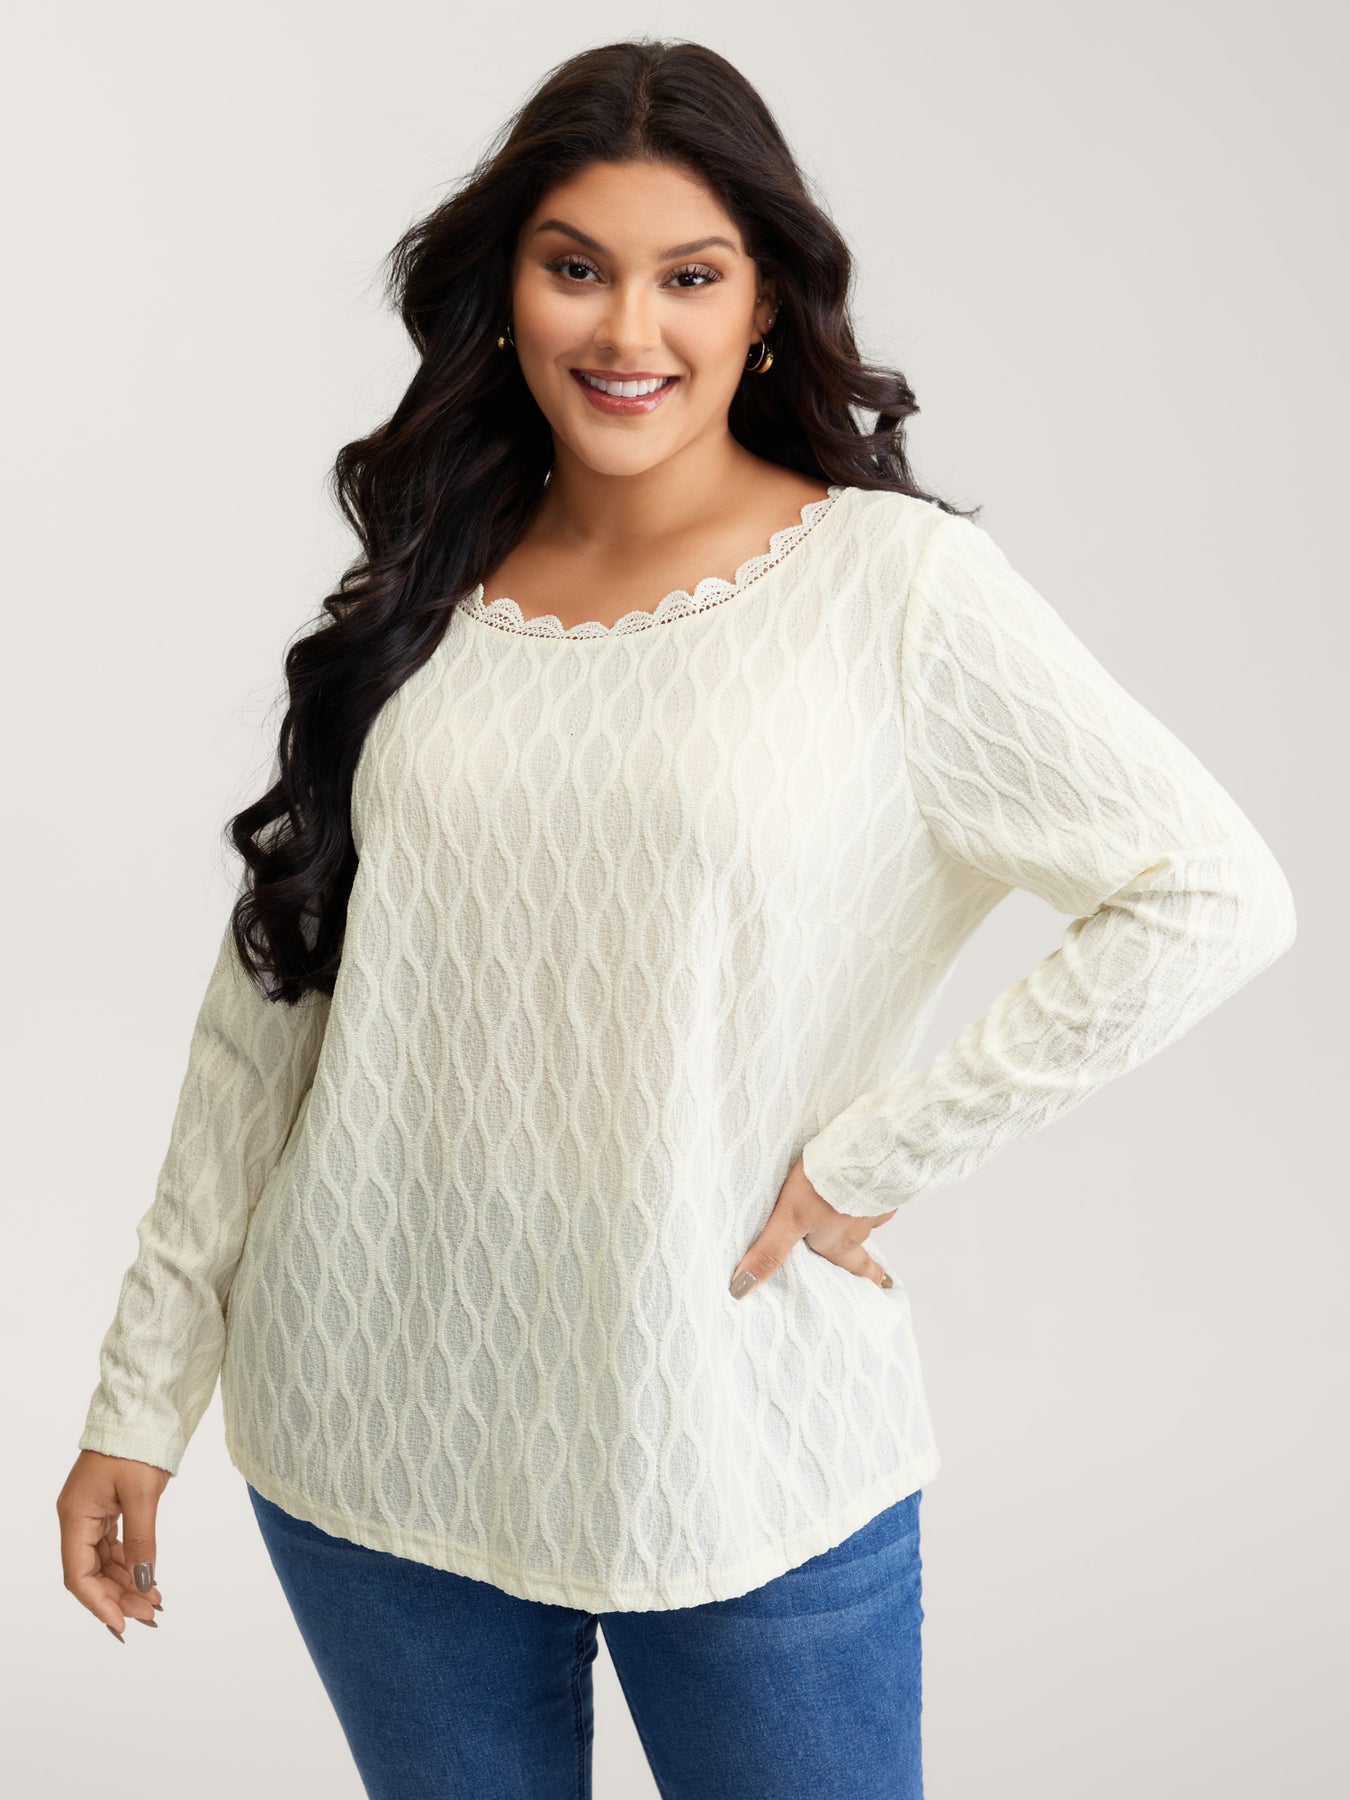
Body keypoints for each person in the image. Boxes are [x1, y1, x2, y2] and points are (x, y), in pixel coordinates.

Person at [56, 37, 1297, 1800]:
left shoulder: (895, 592)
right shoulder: (425, 591)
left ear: (765, 303)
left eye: (688, 277)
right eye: (575, 268)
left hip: (734, 1435)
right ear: (505, 293)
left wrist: (878, 1156)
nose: (626, 330)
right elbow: (270, 1010)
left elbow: (1204, 892)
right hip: (375, 1417)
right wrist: (140, 1394)